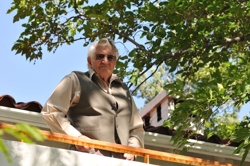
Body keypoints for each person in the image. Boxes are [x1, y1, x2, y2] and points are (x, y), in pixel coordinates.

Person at [41, 38, 144, 160]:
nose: (105, 61)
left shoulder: (124, 90)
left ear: (115, 62)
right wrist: (77, 137)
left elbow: (136, 128)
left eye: (110, 57)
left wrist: (132, 149)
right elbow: (51, 111)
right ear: (90, 61)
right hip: (87, 159)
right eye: (100, 56)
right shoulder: (76, 80)